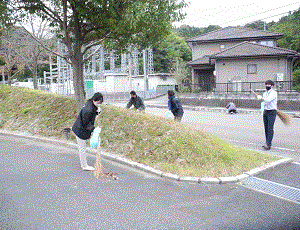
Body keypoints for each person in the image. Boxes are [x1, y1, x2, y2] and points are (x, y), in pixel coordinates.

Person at [72, 92, 103, 170]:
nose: (99, 104)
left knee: (83, 147)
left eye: (100, 103)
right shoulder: (88, 109)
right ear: (95, 100)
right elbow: (86, 123)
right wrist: (94, 129)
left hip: (81, 128)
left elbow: (92, 114)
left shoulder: (91, 104)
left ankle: (84, 164)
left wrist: (97, 112)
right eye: (99, 102)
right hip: (80, 130)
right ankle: (84, 166)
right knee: (82, 148)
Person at [257, 80, 277, 150]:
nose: (267, 86)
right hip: (266, 111)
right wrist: (262, 106)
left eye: (269, 85)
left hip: (272, 111)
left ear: (272, 86)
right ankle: (267, 142)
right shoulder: (265, 93)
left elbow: (268, 100)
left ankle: (269, 144)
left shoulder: (274, 93)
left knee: (270, 128)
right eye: (266, 84)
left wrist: (261, 98)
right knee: (266, 128)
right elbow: (264, 102)